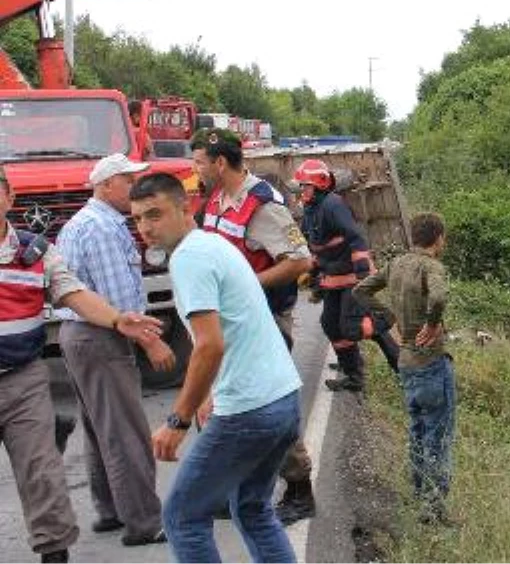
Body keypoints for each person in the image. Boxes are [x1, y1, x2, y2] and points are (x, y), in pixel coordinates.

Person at [131, 172, 301, 563]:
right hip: (282, 398)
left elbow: (209, 345)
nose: (146, 228)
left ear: (185, 207)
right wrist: (210, 393)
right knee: (253, 510)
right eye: (138, 218)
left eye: (155, 215)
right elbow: (234, 327)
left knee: (182, 517)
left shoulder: (190, 257)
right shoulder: (213, 243)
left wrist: (178, 420)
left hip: (250, 411)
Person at [0, 165, 163, 564]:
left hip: (23, 378)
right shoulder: (93, 226)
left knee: (43, 474)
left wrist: (115, 318)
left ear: (9, 197)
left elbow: (71, 291)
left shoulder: (35, 250)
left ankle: (54, 552)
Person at [189, 128, 317, 524]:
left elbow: (300, 261)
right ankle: (226, 490)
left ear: (220, 163)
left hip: (262, 323)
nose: (195, 171)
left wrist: (247, 285)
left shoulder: (263, 206)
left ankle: (299, 488)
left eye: (198, 163)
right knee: (222, 404)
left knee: (266, 407)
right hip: (225, 320)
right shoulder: (215, 199)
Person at [56, 154, 176, 547]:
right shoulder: (103, 228)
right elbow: (118, 297)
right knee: (125, 431)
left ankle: (110, 509)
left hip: (78, 334)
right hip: (101, 334)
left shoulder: (84, 222)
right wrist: (151, 338)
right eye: (128, 180)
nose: (134, 188)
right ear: (107, 185)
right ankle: (144, 522)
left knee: (99, 426)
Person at [352, 212, 456, 525]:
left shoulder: (396, 264)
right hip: (431, 363)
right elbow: (438, 295)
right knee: (437, 437)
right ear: (438, 238)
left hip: (406, 363)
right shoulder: (431, 266)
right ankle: (433, 510)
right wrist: (433, 323)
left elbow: (360, 290)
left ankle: (418, 492)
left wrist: (391, 318)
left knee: (418, 430)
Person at [294, 158, 400, 393]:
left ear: (320, 184)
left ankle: (384, 327)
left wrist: (363, 271)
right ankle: (354, 375)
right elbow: (313, 245)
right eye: (300, 186)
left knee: (351, 326)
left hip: (354, 277)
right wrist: (312, 273)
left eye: (305, 185)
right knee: (331, 325)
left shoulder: (333, 205)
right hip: (334, 279)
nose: (302, 190)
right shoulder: (310, 210)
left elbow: (355, 237)